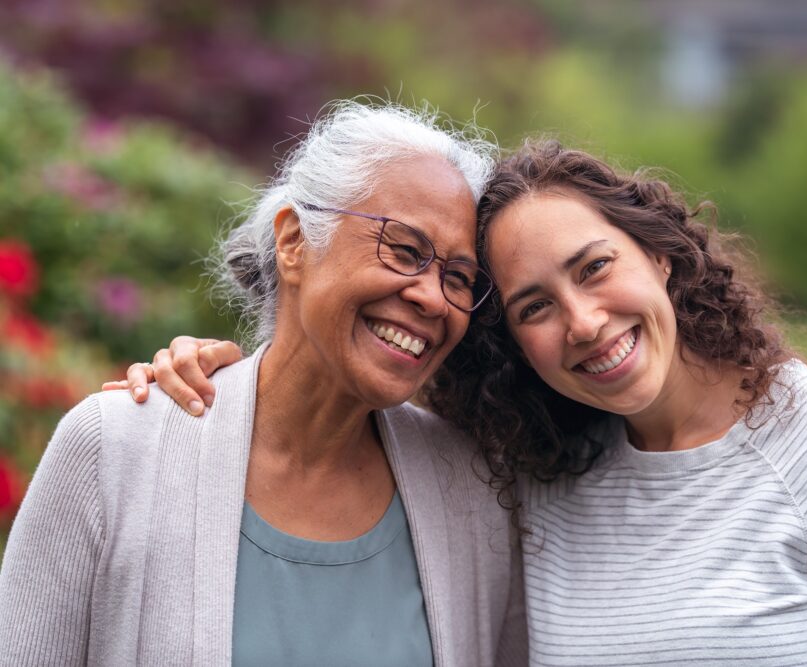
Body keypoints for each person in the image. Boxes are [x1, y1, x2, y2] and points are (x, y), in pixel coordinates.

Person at [115, 141, 807, 666]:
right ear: (513, 344)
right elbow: (347, 388)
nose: (585, 323)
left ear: (660, 258)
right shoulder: (535, 472)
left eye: (594, 268)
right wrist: (218, 374)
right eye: (534, 307)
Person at [0, 101, 527, 666]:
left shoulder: (473, 492)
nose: (431, 295)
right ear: (294, 242)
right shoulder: (116, 450)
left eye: (458, 278)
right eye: (404, 250)